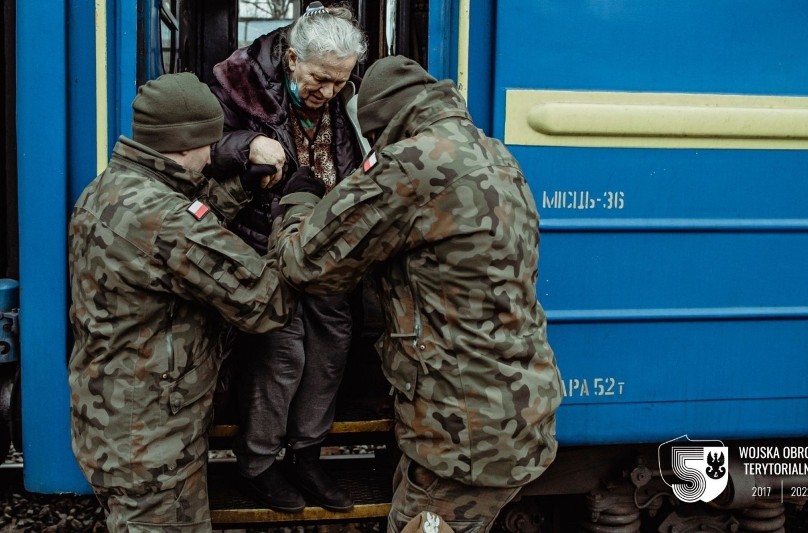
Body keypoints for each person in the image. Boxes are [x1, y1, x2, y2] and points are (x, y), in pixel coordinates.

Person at [269, 56, 564, 533]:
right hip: (507, 411)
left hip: (462, 436)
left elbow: (306, 263)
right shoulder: (493, 153)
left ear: (383, 125)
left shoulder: (414, 162)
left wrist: (300, 198)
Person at [67, 72, 304, 532]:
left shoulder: (111, 189)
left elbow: (177, 244)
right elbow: (265, 301)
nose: (214, 153)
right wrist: (296, 212)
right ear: (183, 143)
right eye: (209, 143)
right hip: (152, 444)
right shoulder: (163, 218)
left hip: (117, 421)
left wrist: (242, 187)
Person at [206, 1, 368, 513]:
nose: (329, 93)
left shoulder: (345, 96)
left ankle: (307, 456)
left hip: (325, 244)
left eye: (340, 83)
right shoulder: (236, 78)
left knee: (331, 345)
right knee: (282, 352)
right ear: (293, 58)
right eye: (321, 80)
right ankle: (257, 464)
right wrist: (246, 145)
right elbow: (199, 146)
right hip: (263, 240)